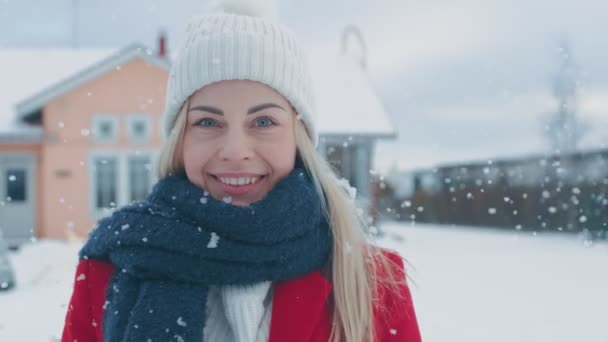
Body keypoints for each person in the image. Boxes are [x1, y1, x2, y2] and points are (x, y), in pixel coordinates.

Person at [62, 1, 422, 341]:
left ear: (298, 139)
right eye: (207, 121)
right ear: (180, 140)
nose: (235, 152)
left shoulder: (371, 283)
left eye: (263, 121)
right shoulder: (107, 269)